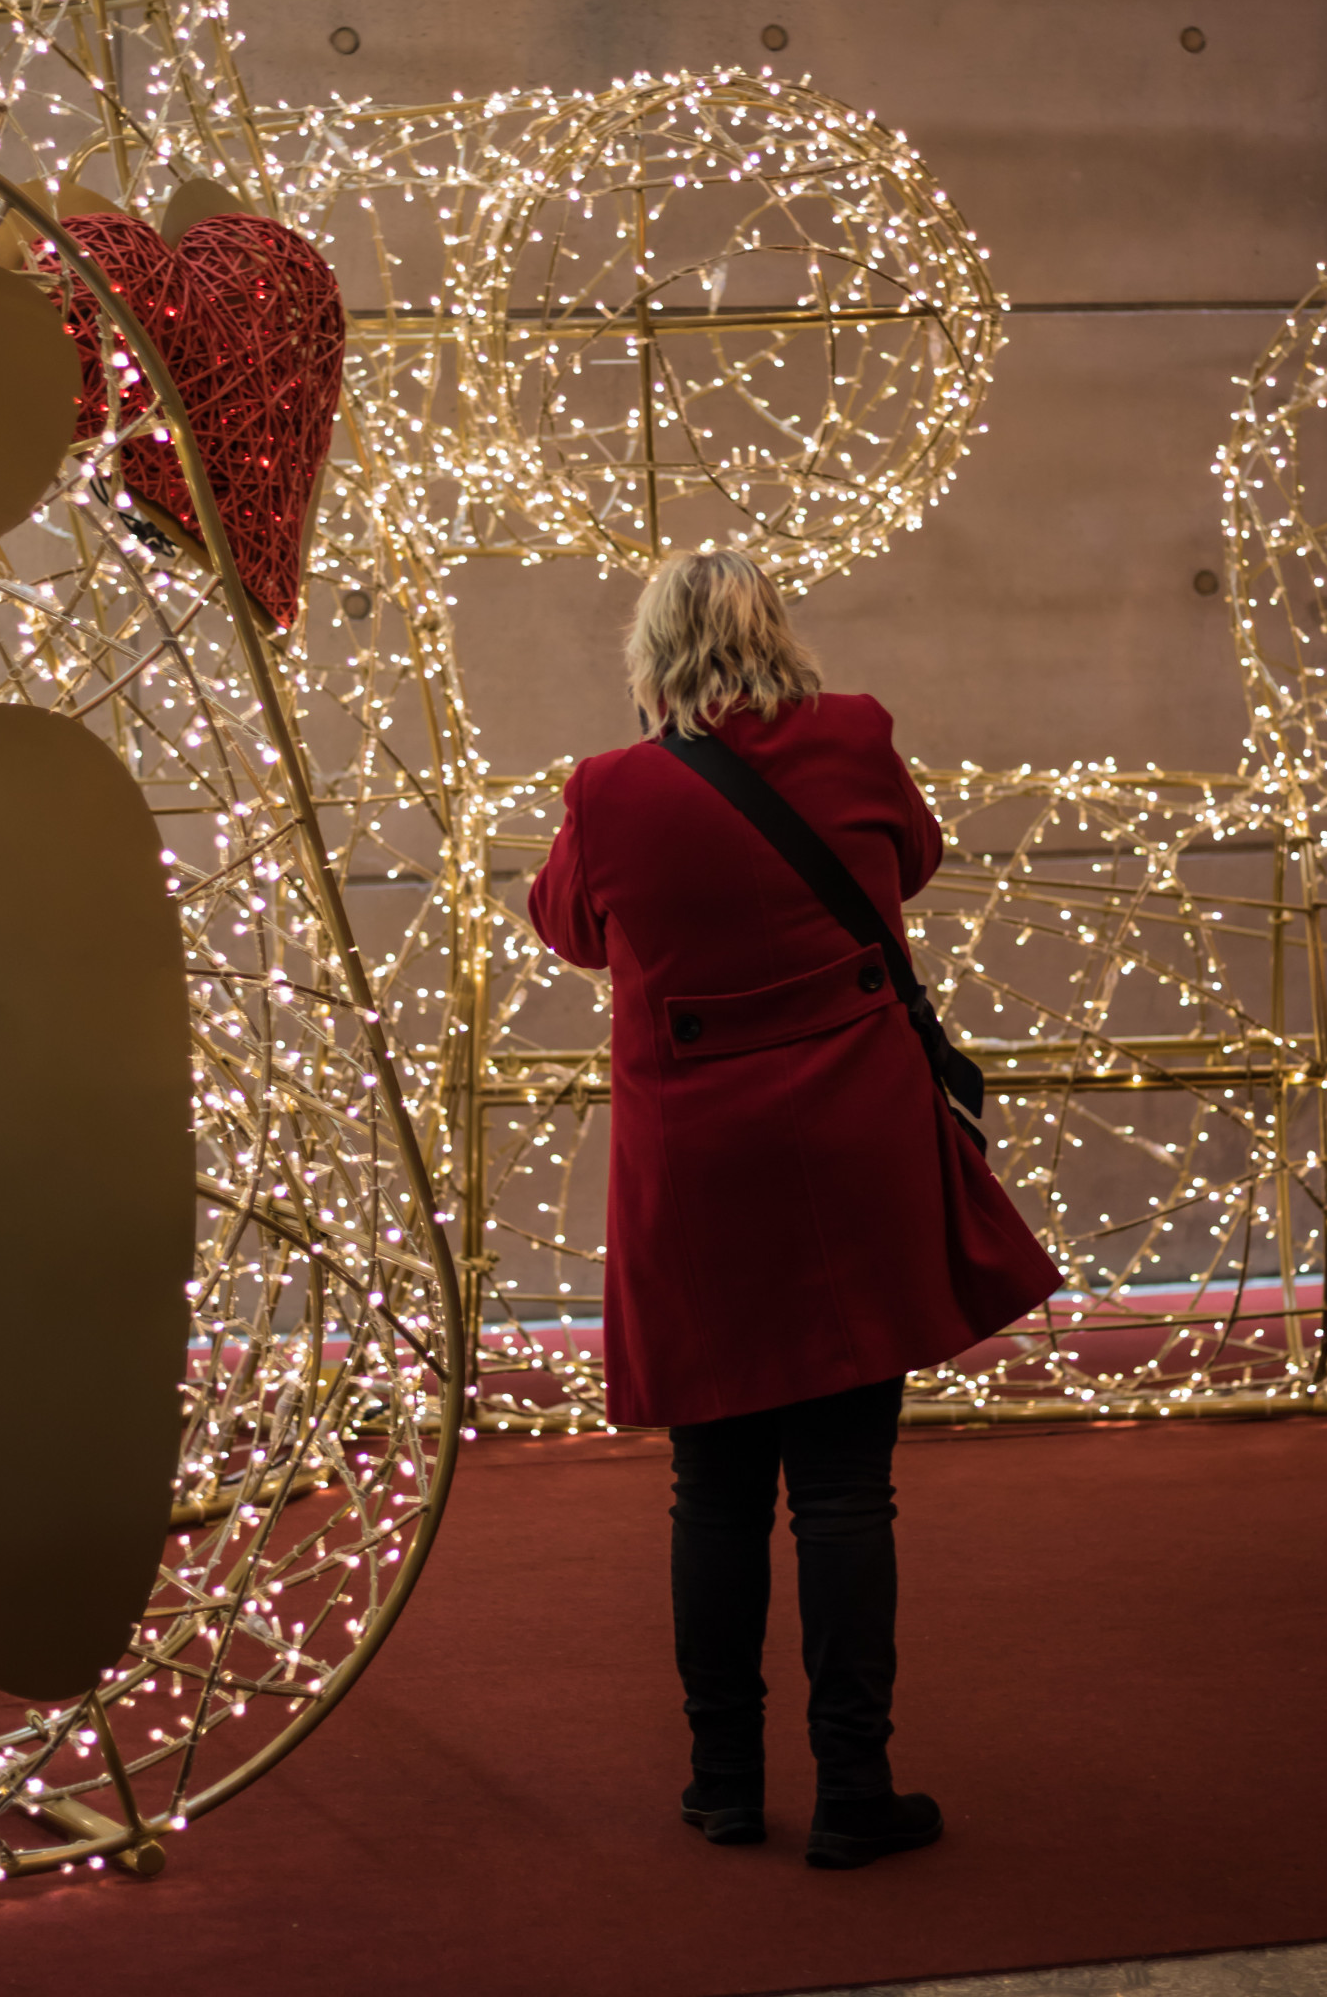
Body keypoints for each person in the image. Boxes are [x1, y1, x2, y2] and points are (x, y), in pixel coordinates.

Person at [527, 549, 1061, 1869]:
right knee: (843, 1491)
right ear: (780, 633)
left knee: (710, 1494)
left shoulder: (609, 791)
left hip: (697, 1174)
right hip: (853, 1151)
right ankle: (852, 1790)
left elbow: (568, 930)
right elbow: (915, 865)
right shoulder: (857, 738)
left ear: (651, 651)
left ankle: (721, 1785)